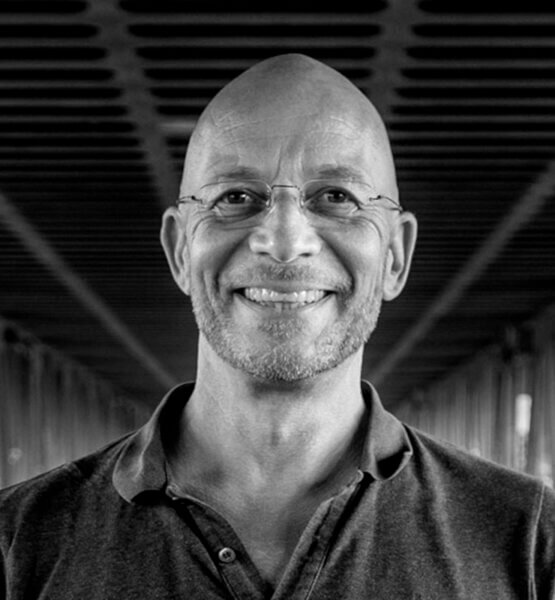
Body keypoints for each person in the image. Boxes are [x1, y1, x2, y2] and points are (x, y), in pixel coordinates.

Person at [1, 54, 554, 600]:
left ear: (395, 256)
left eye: (336, 198)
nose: (285, 242)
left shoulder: (531, 543)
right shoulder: (17, 543)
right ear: (179, 250)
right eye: (235, 198)